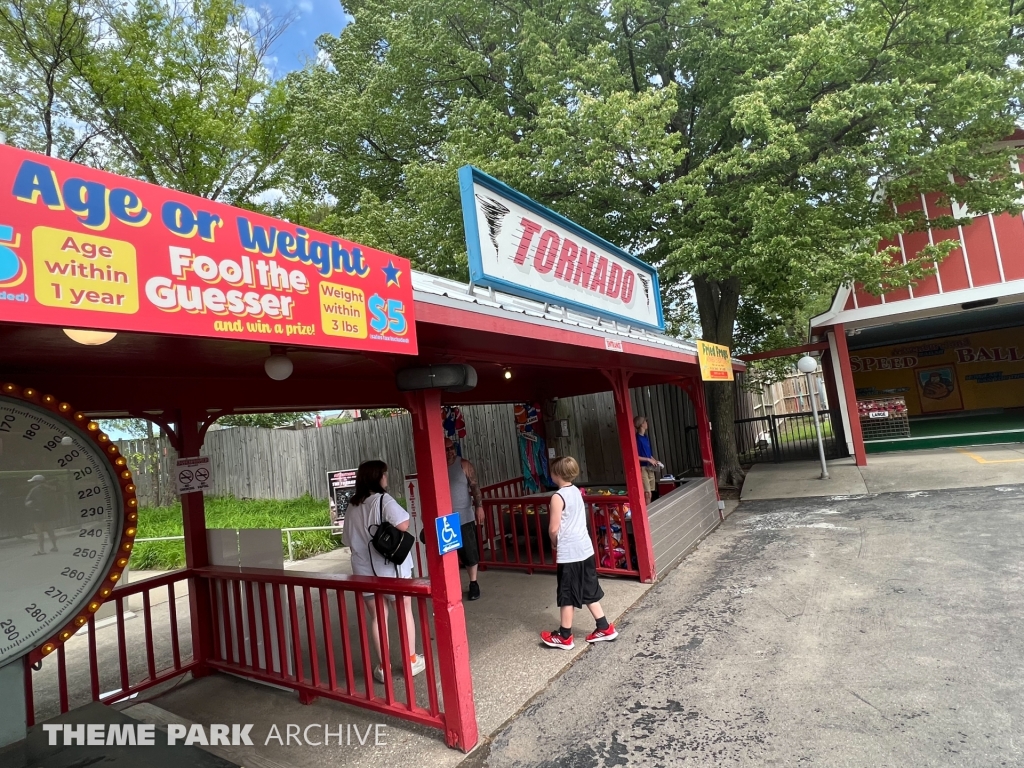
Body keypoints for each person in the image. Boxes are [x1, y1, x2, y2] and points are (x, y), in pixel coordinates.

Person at [344, 460, 426, 683]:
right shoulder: (383, 499)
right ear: (377, 477)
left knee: (377, 618)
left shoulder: (352, 505)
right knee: (404, 611)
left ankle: (384, 668)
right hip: (392, 571)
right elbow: (404, 524)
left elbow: (346, 539)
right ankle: (410, 661)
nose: (386, 478)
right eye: (384, 474)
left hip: (363, 571)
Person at [540, 456, 617, 650]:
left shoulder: (557, 497)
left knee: (567, 592)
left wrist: (555, 543)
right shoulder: (576, 491)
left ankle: (565, 635)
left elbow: (553, 528)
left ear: (555, 474)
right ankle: (604, 626)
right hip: (585, 548)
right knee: (587, 588)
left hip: (570, 551)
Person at [445, 438, 485, 600]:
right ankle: (450, 585)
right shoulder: (436, 465)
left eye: (452, 448)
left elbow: (475, 487)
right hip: (445, 519)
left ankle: (473, 582)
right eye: (446, 449)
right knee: (448, 555)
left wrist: (479, 506)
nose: (450, 452)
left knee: (470, 552)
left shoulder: (464, 465)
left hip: (464, 515)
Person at [25, 474, 60, 555]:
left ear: (37, 482)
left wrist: (31, 505)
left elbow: (28, 502)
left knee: (39, 532)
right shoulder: (51, 489)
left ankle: (42, 550)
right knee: (50, 531)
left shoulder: (34, 490)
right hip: (48, 513)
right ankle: (55, 546)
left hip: (37, 513)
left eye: (34, 482)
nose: (33, 483)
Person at [634, 416, 663, 505]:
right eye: (645, 422)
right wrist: (648, 459)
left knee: (650, 491)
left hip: (649, 466)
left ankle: (648, 512)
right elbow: (635, 456)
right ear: (642, 424)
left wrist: (655, 460)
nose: (647, 424)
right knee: (647, 493)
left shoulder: (645, 437)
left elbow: (649, 454)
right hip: (642, 467)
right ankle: (646, 514)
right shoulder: (636, 439)